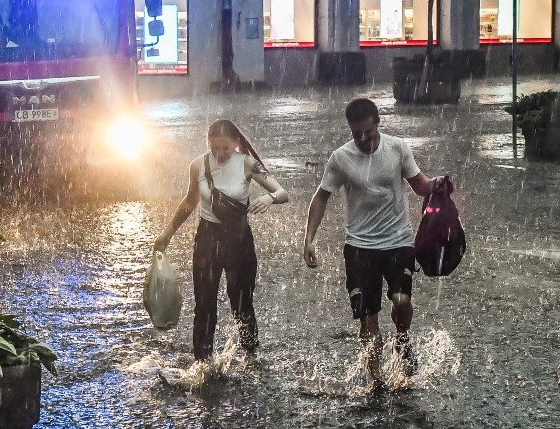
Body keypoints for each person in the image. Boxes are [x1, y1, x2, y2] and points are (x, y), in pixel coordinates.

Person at [302, 98, 441, 381]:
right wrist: (309, 239)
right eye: (357, 134)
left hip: (398, 241)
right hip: (359, 248)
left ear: (378, 123)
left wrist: (436, 186)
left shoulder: (398, 148)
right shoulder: (340, 158)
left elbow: (419, 186)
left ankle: (402, 339)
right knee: (368, 318)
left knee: (401, 301)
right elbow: (320, 198)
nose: (364, 139)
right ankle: (375, 381)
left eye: (369, 132)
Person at [154, 119, 288, 361]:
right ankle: (202, 363)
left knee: (241, 302)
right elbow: (189, 202)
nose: (220, 153)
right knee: (204, 305)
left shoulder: (247, 164)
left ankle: (250, 355)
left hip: (239, 240)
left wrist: (269, 199)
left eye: (225, 148)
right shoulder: (198, 165)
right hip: (207, 239)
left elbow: (282, 192)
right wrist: (167, 234)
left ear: (236, 143)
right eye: (214, 148)